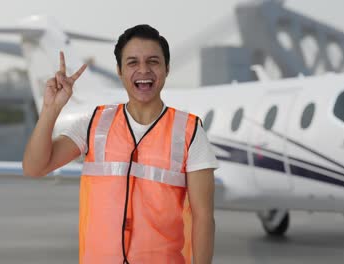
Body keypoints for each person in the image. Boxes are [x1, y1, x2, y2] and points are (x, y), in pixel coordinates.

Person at [23, 24, 218, 264]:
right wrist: (50, 110)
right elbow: (34, 167)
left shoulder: (189, 131)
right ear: (119, 70)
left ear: (167, 68)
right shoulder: (94, 123)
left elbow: (203, 217)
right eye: (132, 62)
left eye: (153, 62)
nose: (143, 70)